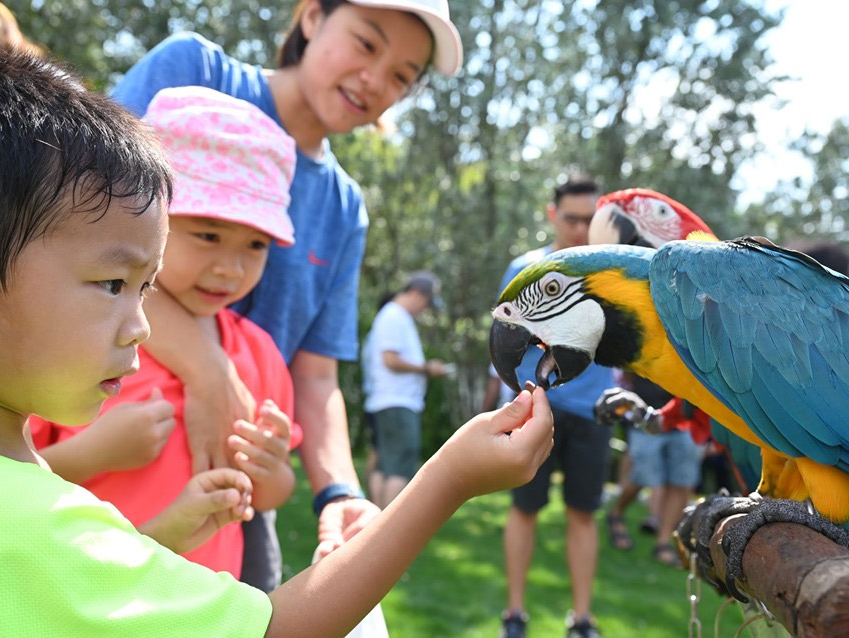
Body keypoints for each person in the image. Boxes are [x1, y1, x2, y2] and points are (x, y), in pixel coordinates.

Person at [0, 42, 555, 636]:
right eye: (111, 284)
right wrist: (447, 480)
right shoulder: (24, 532)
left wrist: (168, 532)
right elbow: (284, 629)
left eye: (146, 288)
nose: (145, 326)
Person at [110, 0, 464, 592]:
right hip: (107, 443)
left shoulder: (345, 208)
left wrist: (340, 492)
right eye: (366, 43)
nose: (376, 81)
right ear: (311, 17)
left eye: (403, 75)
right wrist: (209, 371)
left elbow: (317, 374)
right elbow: (71, 233)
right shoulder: (195, 71)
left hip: (236, 490)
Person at [28, 86, 303, 578]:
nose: (231, 268)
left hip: (207, 607)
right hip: (83, 595)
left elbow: (271, 496)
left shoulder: (258, 353)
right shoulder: (78, 333)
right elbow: (6, 476)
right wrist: (93, 453)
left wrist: (271, 467)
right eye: (209, 235)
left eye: (256, 245)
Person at [486, 176, 614, 638]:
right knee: (525, 509)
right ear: (552, 214)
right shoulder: (525, 270)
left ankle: (582, 620)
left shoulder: (607, 275)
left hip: (592, 410)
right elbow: (501, 343)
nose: (580, 228)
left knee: (583, 513)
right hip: (532, 409)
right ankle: (514, 615)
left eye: (589, 219)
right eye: (572, 218)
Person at [362, 271, 447, 507]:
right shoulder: (394, 317)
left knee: (385, 466)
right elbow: (390, 360)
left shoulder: (392, 316)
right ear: (417, 294)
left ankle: (374, 524)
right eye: (427, 303)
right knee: (401, 465)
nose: (425, 309)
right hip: (397, 402)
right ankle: (388, 531)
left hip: (389, 402)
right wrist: (426, 368)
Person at [600, 374, 701, 568]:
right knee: (642, 478)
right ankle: (617, 513)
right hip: (645, 420)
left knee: (681, 483)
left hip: (685, 421)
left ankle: (663, 543)